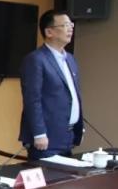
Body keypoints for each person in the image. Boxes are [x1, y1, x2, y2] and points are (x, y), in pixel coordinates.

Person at [19, 9, 83, 159]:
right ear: (49, 32)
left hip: (68, 136)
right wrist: (39, 133)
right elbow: (32, 99)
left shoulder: (70, 59)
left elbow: (73, 96)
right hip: (46, 138)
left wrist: (80, 127)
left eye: (71, 25)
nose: (70, 29)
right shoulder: (36, 59)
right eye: (65, 25)